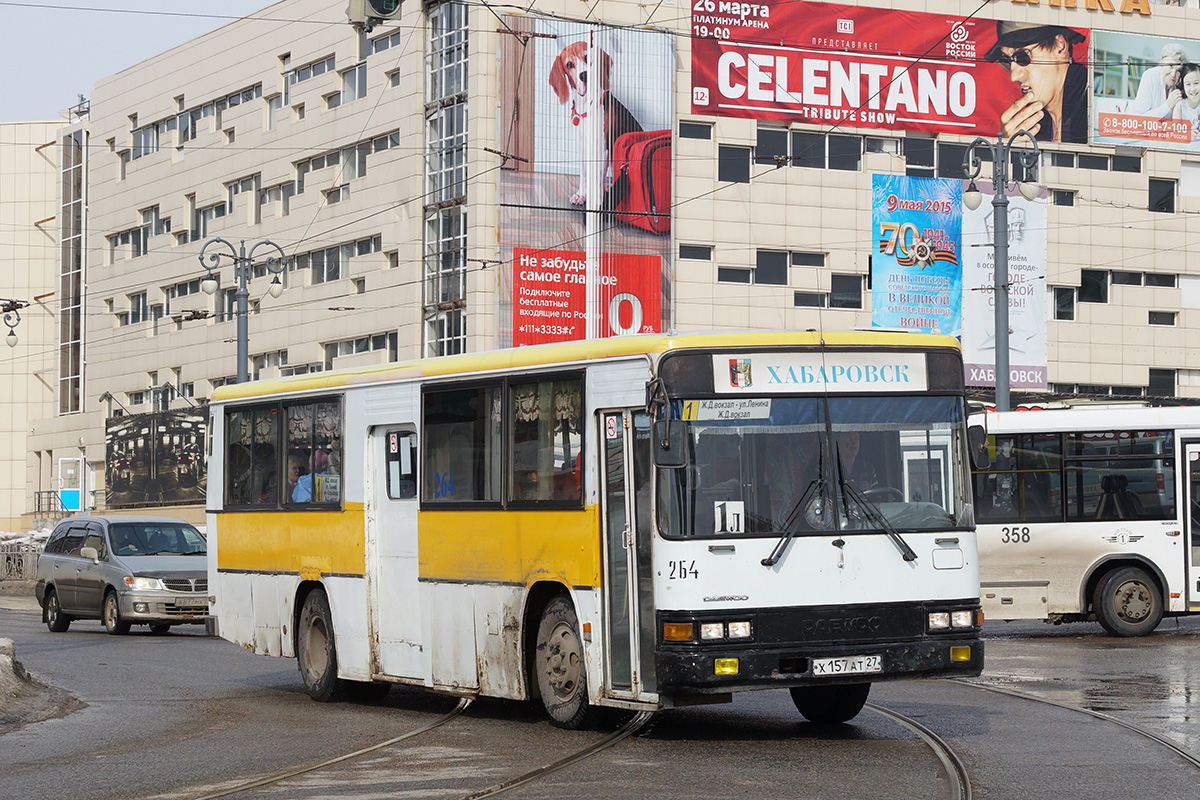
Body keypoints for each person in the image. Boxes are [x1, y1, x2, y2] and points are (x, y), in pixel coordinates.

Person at [985, 21, 1088, 144]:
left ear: (1059, 46)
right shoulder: (1036, 124)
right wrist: (1012, 151)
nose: (1013, 76)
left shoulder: (1092, 105)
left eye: (1022, 57)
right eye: (1006, 60)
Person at [1130, 42, 1187, 118]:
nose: (1173, 74)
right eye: (1170, 66)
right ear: (1162, 62)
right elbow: (1138, 118)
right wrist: (1167, 105)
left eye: (1178, 71)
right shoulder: (1150, 76)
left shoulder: (1178, 86)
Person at [1173, 63, 1200, 135]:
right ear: (1183, 86)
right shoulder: (1180, 105)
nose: (1193, 89)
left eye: (1196, 83)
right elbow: (1175, 132)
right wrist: (1187, 134)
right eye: (1188, 84)